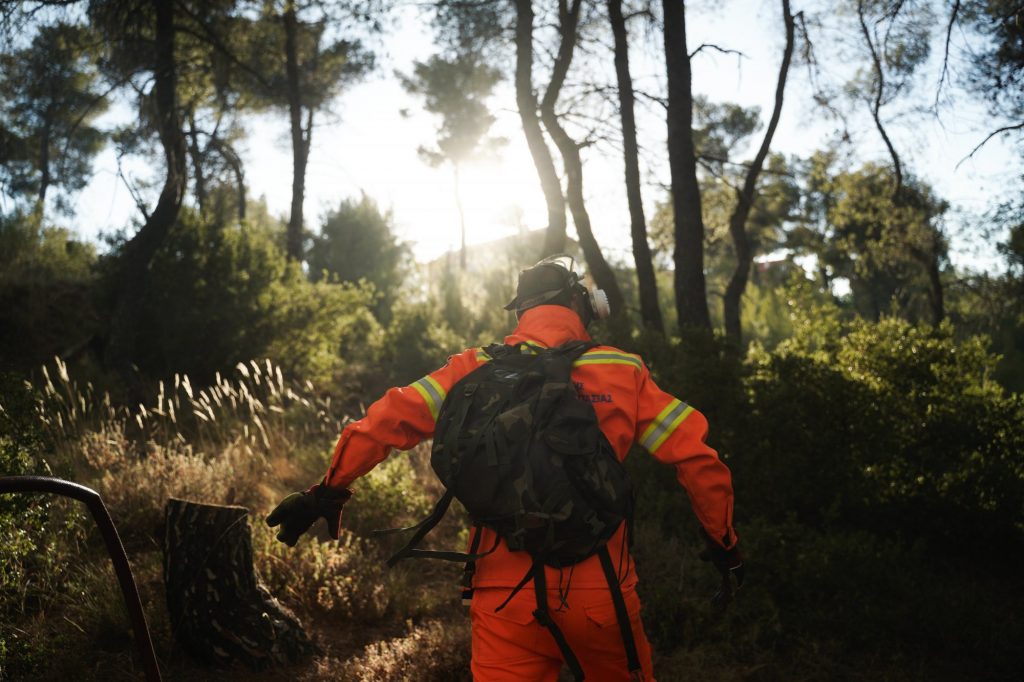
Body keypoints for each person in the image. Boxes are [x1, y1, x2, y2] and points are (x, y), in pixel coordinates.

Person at [267, 255, 742, 681]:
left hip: (502, 591)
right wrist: (724, 544)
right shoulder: (624, 370)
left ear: (521, 312)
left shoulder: (472, 368)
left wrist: (325, 492)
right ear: (582, 304)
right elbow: (700, 461)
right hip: (600, 589)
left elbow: (382, 423)